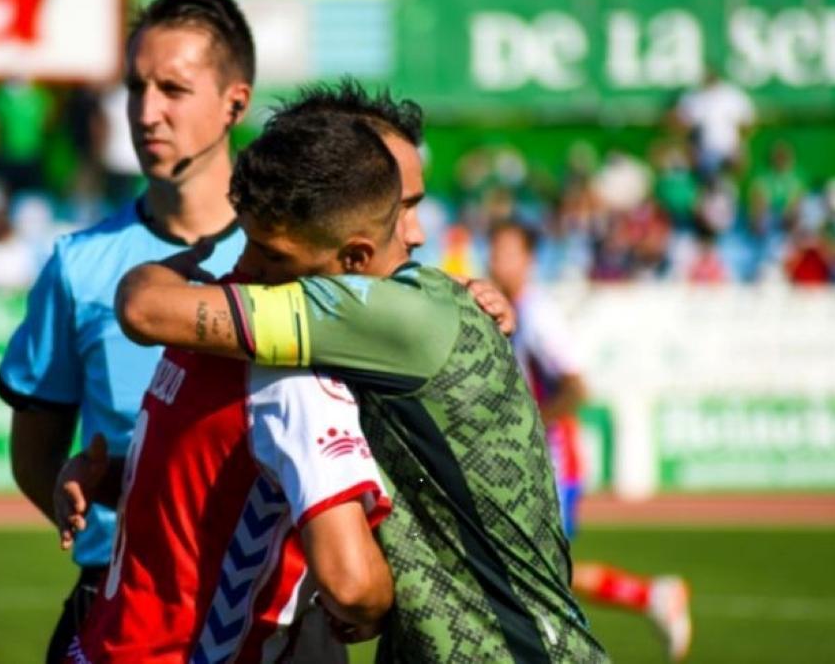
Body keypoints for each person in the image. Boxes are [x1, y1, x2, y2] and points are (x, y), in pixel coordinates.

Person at [114, 84, 606, 661]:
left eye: (411, 204)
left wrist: (171, 268)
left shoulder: (382, 315)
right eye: (401, 207)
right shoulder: (407, 308)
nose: (416, 234)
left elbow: (147, 309)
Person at [66, 111, 401, 664]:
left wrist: (108, 479)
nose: (244, 268)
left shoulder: (210, 325)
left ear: (354, 256)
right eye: (249, 242)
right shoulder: (293, 375)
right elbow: (352, 586)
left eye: (273, 257)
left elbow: (205, 494)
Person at [0, 0, 255, 660]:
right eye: (135, 86)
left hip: (266, 613)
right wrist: (95, 513)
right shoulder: (77, 265)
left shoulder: (296, 258)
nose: (145, 111)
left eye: (174, 88)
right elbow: (36, 455)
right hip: (114, 613)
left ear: (235, 101)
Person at [488, 220, 693, 662]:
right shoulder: (516, 309)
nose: (496, 260)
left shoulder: (539, 314)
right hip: (536, 460)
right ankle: (653, 597)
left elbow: (577, 386)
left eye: (506, 251)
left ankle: (636, 608)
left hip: (555, 461)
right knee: (538, 573)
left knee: (539, 576)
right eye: (494, 250)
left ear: (529, 260)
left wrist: (531, 424)